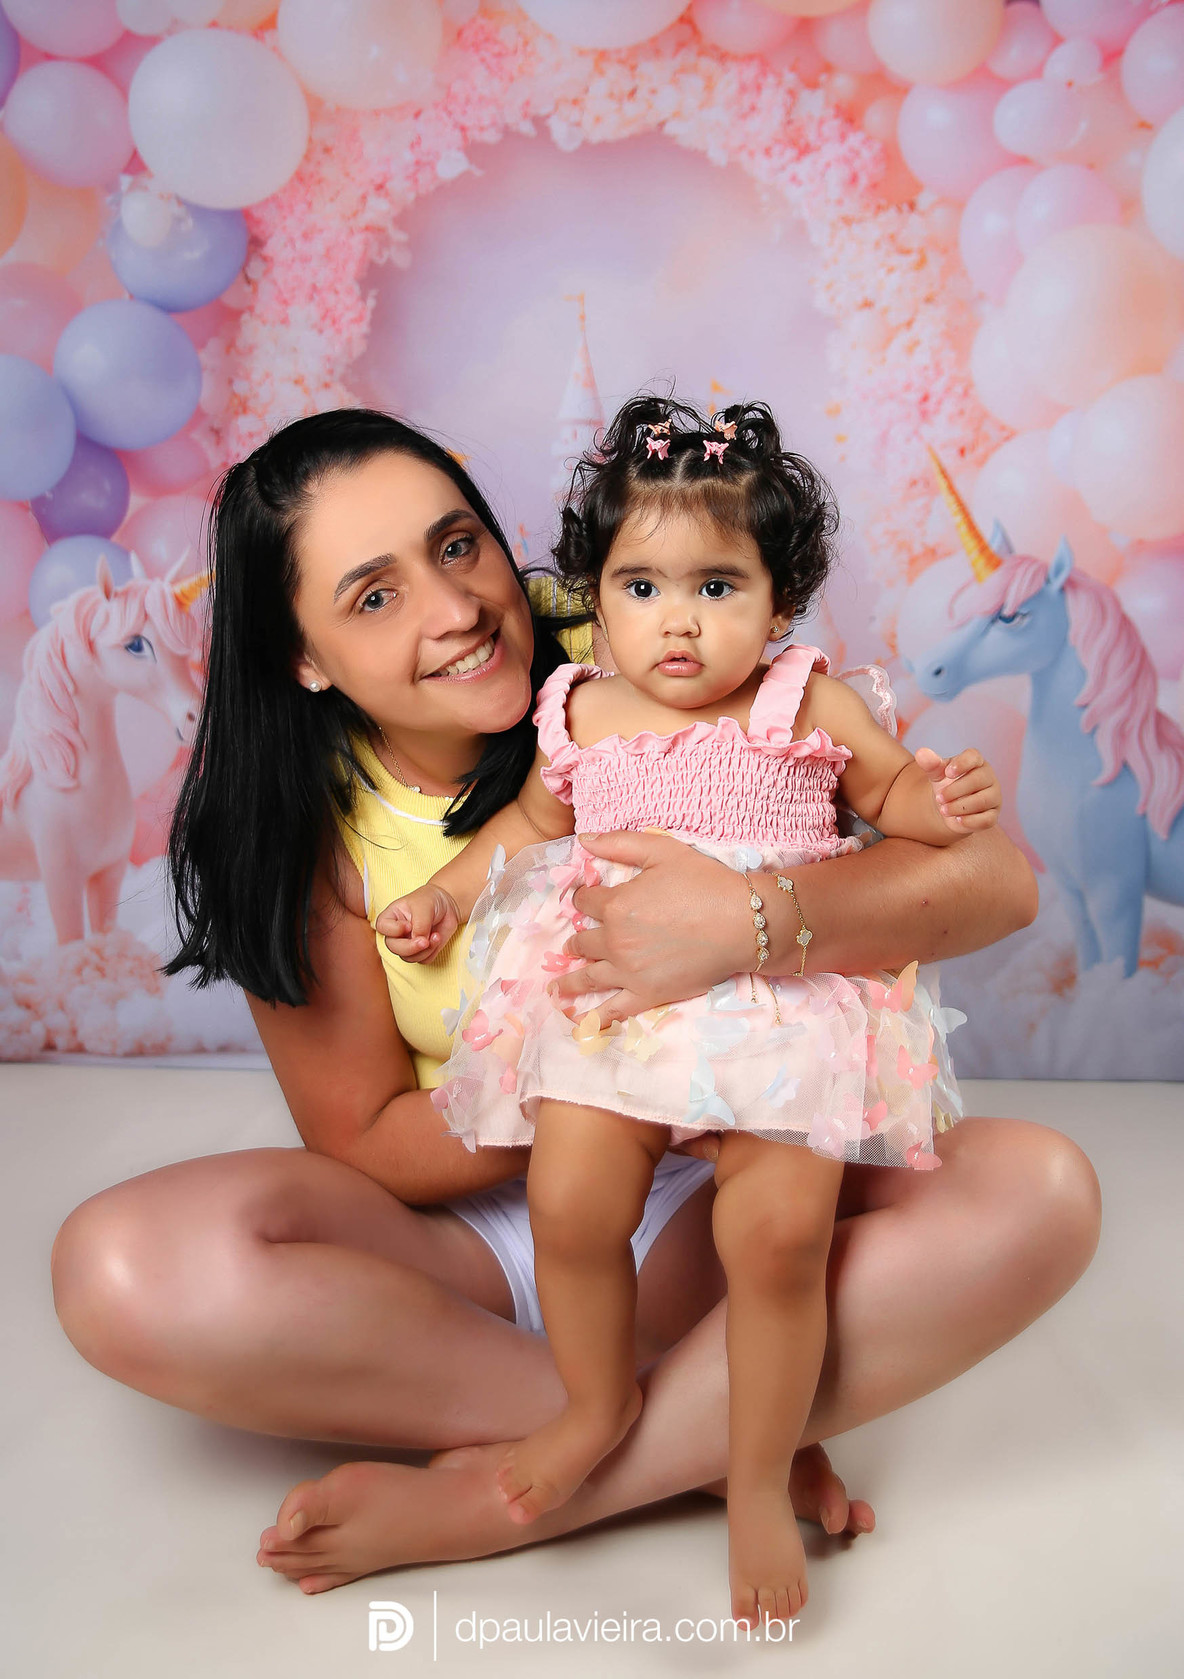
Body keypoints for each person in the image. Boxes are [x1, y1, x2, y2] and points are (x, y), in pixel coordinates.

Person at [47, 408, 1100, 1604]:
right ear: (305, 655)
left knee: (1040, 1191)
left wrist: (744, 925)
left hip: (710, 1202)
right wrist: (609, 1073)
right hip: (477, 1244)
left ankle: (536, 1489)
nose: (455, 609)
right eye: (375, 596)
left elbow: (992, 880)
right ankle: (692, 1430)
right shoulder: (300, 824)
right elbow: (365, 1139)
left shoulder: (656, 627)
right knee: (119, 1263)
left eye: (457, 545)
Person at [376, 395, 1002, 1627]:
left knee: (777, 1239)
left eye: (718, 587)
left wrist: (941, 798)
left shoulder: (805, 701)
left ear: (779, 603)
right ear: (596, 600)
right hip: (618, 1001)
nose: (679, 618)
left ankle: (756, 1473)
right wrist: (444, 897)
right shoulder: (579, 709)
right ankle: (596, 1402)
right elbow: (527, 827)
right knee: (570, 1202)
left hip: (778, 1005)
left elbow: (892, 799)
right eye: (643, 586)